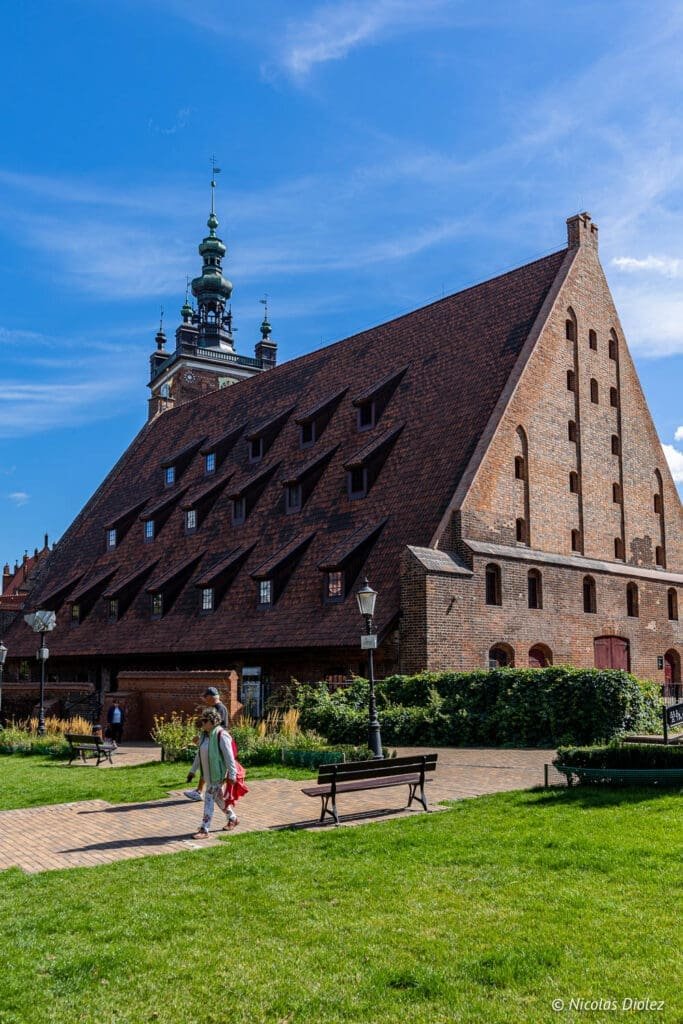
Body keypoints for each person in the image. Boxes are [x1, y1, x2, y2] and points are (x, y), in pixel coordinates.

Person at [186, 708, 239, 839]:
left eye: (205, 721)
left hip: (218, 775)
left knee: (209, 798)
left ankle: (204, 829)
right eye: (202, 720)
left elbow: (229, 757)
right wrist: (192, 771)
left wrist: (232, 774)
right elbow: (199, 755)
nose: (202, 723)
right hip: (208, 775)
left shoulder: (222, 735)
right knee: (218, 799)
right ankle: (233, 818)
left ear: (212, 721)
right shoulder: (205, 736)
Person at [183, 687, 228, 801]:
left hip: (215, 741)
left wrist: (203, 738)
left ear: (211, 697)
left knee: (208, 764)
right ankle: (201, 791)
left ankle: (206, 792)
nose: (204, 699)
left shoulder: (219, 708)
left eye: (206, 697)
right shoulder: (216, 707)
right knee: (205, 762)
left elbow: (216, 726)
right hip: (211, 739)